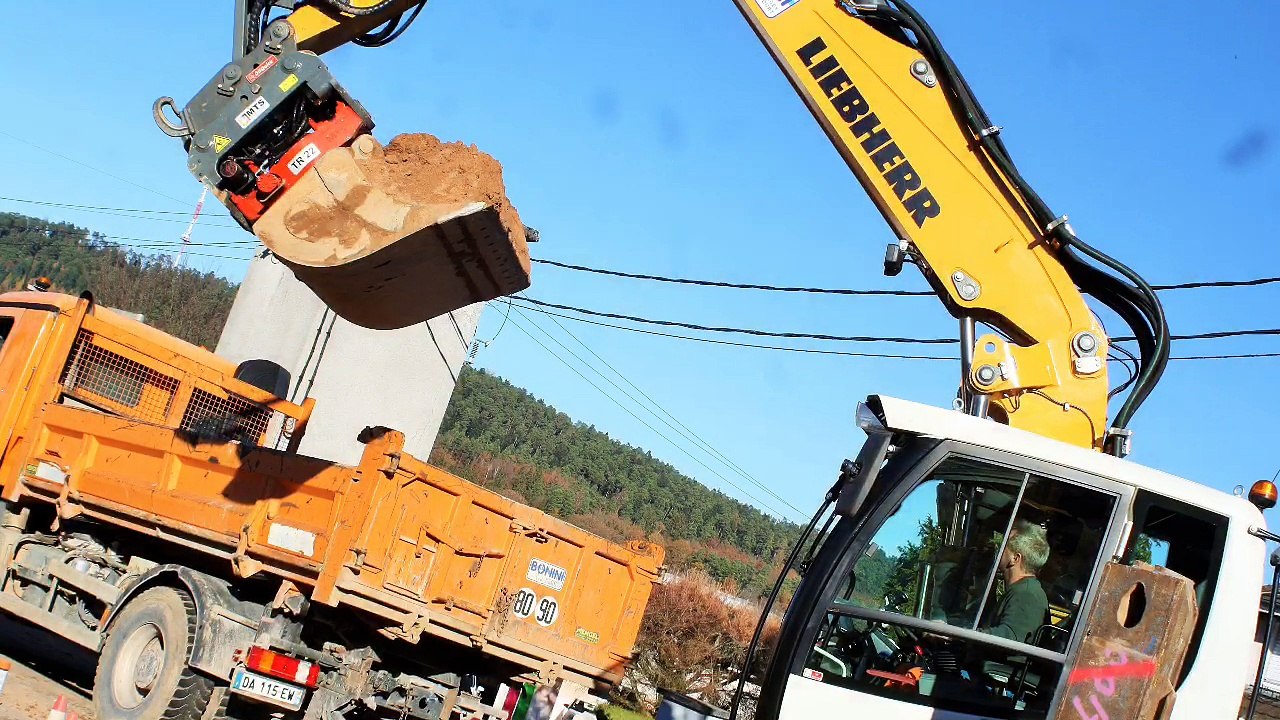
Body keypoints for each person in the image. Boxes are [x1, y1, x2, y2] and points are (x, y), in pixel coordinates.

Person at [979, 520, 1050, 644]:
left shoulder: (1027, 594)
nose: (998, 550)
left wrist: (968, 634)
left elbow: (1010, 636)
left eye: (1004, 546)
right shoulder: (1020, 589)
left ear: (1015, 558)